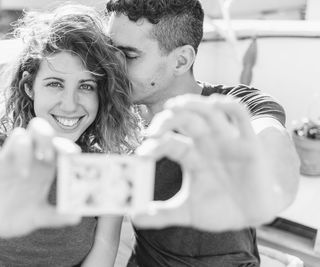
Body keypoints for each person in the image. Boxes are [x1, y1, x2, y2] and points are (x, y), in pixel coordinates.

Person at [105, 0, 300, 266]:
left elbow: (268, 141)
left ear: (181, 60)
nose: (112, 67)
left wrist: (269, 184)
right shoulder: (119, 114)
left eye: (128, 55)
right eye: (109, 52)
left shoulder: (236, 106)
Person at [0, 4, 141, 266]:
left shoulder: (105, 169)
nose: (69, 104)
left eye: (86, 86)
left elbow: (104, 249)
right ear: (29, 87)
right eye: (55, 84)